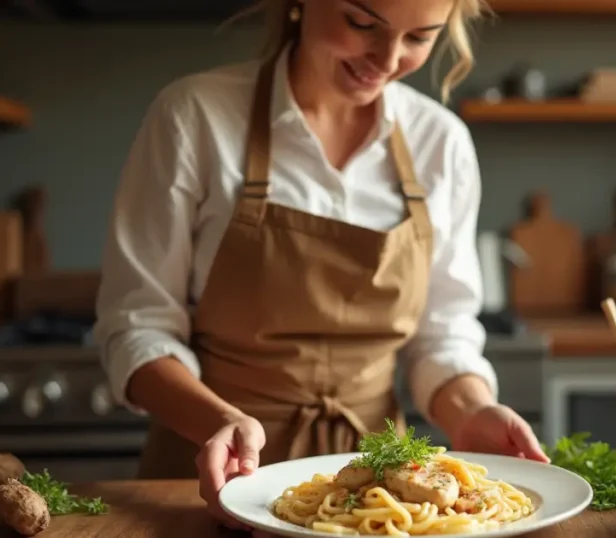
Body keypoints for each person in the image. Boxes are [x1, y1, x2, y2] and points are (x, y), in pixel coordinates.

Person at [92, 0, 549, 530]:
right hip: (214, 475)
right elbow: (137, 325)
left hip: (387, 500)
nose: (387, 58)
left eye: (420, 38)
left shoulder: (439, 142)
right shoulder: (195, 116)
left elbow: (441, 336)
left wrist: (472, 410)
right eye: (362, 23)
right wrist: (220, 421)